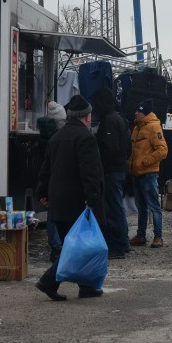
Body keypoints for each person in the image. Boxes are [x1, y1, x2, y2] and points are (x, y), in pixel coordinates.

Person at [35, 95, 105, 300]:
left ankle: (87, 287)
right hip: (78, 203)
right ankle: (48, 282)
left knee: (74, 244)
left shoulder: (57, 136)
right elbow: (89, 171)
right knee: (77, 247)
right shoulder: (85, 137)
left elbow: (45, 169)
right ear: (86, 116)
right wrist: (92, 197)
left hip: (59, 202)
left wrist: (42, 193)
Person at [91, 87, 129, 259]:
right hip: (118, 169)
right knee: (117, 208)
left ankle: (118, 246)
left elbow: (110, 148)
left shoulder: (109, 120)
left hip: (111, 171)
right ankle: (122, 243)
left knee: (113, 209)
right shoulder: (118, 118)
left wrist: (101, 166)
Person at [127, 99, 169, 248]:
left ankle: (158, 237)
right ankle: (141, 235)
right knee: (141, 207)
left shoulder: (153, 127)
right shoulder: (137, 127)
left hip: (148, 173)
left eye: (139, 111)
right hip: (137, 173)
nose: (136, 113)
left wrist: (145, 162)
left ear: (144, 113)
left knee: (154, 206)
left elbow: (162, 150)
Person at [37, 100, 67, 262]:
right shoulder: (54, 139)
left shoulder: (45, 137)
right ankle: (57, 247)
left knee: (52, 215)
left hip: (49, 180)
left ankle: (56, 247)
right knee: (54, 216)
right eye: (62, 121)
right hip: (54, 181)